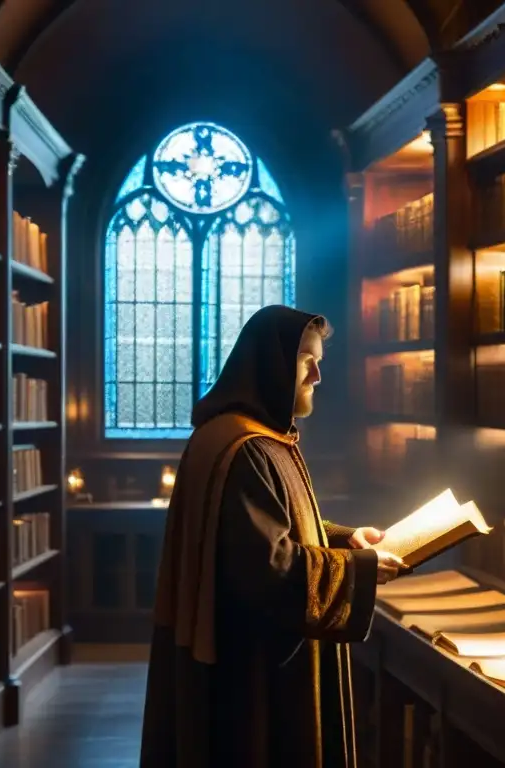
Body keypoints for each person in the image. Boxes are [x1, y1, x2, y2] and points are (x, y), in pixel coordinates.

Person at [140, 305, 406, 768]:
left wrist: (345, 541)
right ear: (272, 363)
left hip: (235, 659)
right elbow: (268, 569)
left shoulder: (240, 435)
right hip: (255, 677)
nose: (318, 375)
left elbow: (273, 526)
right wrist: (359, 569)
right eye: (307, 360)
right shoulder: (248, 450)